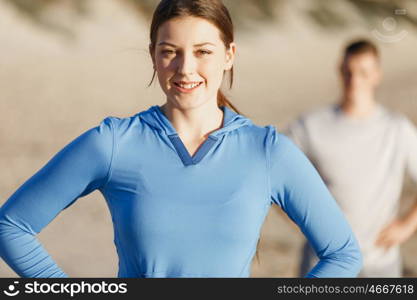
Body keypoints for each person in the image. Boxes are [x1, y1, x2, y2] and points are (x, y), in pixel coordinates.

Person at [0, 0, 362, 278]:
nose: (185, 68)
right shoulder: (112, 143)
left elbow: (343, 253)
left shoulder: (267, 152)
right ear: (153, 56)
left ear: (229, 55)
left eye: (203, 51)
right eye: (169, 51)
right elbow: (11, 227)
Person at [286, 39, 417, 277]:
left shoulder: (397, 129)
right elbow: (271, 174)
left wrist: (407, 226)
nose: (355, 81)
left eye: (364, 73)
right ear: (340, 71)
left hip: (381, 262)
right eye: (349, 72)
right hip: (323, 260)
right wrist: (300, 221)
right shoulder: (310, 126)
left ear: (377, 75)